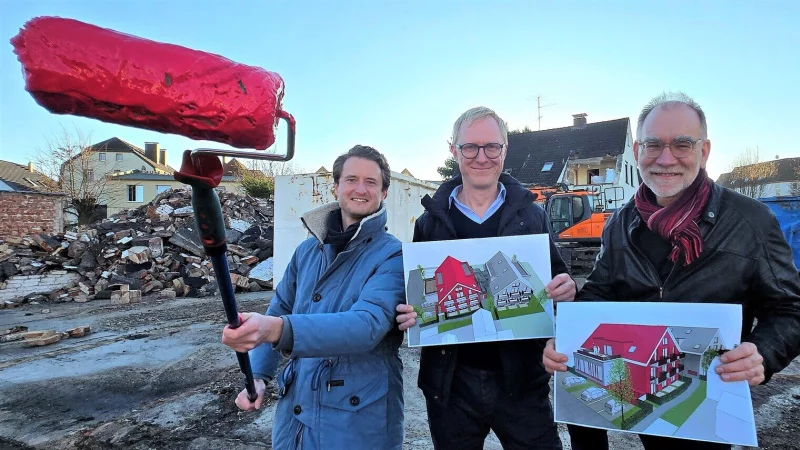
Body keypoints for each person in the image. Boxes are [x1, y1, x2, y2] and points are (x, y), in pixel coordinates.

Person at [543, 92, 800, 450]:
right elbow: (600, 291)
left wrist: (764, 352)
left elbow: (789, 309)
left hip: (710, 408)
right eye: (653, 145)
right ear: (637, 152)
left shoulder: (751, 222)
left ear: (704, 151)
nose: (666, 159)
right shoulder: (620, 222)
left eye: (682, 144)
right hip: (643, 394)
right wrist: (568, 338)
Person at [396, 106, 577, 450]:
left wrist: (568, 289)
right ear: (454, 151)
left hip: (523, 382)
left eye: (491, 147)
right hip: (451, 386)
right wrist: (408, 312)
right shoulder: (429, 222)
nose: (482, 157)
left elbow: (558, 281)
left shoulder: (532, 216)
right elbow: (420, 292)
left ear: (505, 150)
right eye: (470, 147)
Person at [222, 145, 406, 449]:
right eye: (351, 179)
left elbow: (367, 326)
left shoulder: (392, 254)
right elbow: (279, 307)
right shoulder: (307, 251)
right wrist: (258, 374)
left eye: (371, 182)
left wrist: (279, 329)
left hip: (359, 417)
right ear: (335, 186)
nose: (360, 189)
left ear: (384, 192)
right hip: (298, 405)